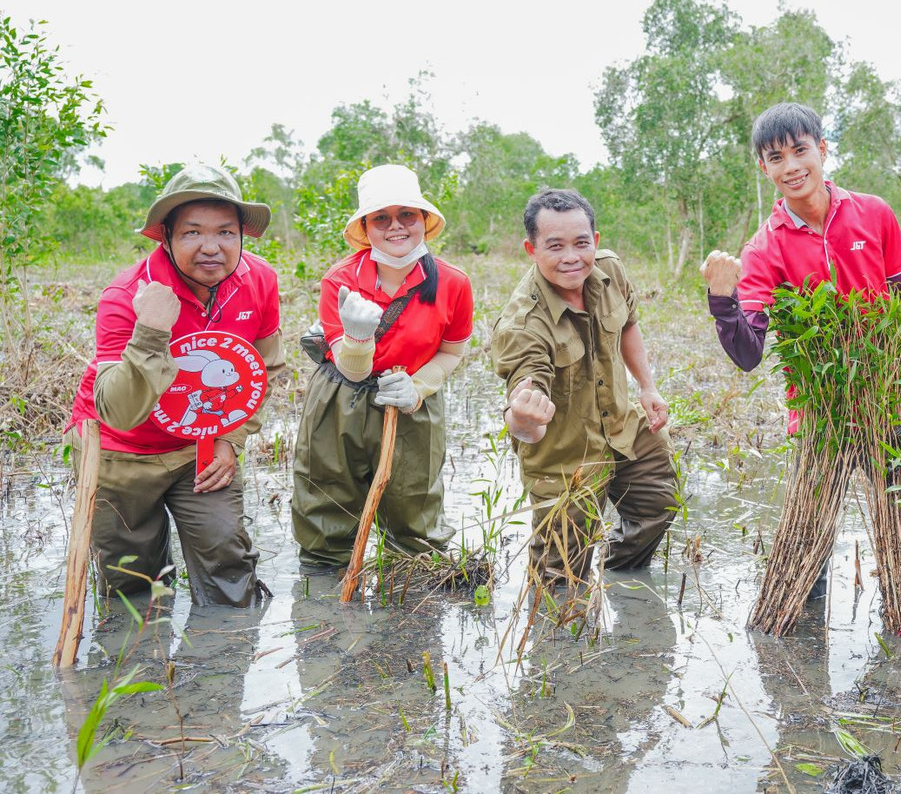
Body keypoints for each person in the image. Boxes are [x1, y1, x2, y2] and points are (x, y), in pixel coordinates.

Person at [699, 102, 901, 603]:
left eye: (800, 150)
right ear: (762, 168)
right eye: (775, 157)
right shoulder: (763, 249)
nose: (791, 166)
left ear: (823, 149)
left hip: (887, 406)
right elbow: (748, 354)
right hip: (819, 415)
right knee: (807, 543)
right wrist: (723, 301)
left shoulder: (874, 214)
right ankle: (799, 661)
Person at [66, 164, 283, 607]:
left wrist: (230, 438)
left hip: (200, 446)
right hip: (120, 451)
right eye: (192, 233)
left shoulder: (259, 280)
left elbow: (263, 369)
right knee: (133, 586)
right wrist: (150, 332)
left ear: (243, 233)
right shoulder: (125, 296)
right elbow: (120, 411)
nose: (211, 248)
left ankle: (223, 665)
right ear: (165, 237)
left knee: (229, 567)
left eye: (225, 232)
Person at [491, 188, 676, 585]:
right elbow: (525, 399)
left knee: (659, 502)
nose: (571, 257)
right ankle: (561, 637)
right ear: (531, 249)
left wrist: (647, 386)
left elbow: (628, 324)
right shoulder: (523, 324)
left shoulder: (610, 271)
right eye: (554, 246)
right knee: (560, 575)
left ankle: (619, 582)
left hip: (623, 426)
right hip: (565, 455)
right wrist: (523, 419)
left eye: (580, 243)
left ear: (596, 239)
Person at [292, 164, 473, 567]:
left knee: (416, 519)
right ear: (366, 227)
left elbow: (452, 351)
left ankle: (411, 613)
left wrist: (419, 388)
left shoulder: (453, 282)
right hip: (342, 396)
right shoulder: (339, 280)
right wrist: (358, 339)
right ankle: (328, 616)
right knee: (327, 511)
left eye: (407, 214)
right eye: (381, 218)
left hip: (413, 398)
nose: (396, 227)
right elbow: (352, 371)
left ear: (424, 221)